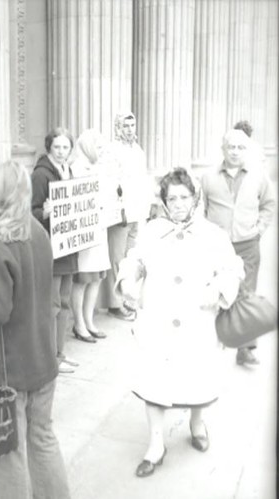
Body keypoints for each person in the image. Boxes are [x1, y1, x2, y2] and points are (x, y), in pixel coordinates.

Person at [117, 168, 243, 478]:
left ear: (195, 198)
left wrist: (219, 288)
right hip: (158, 318)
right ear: (163, 201)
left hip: (197, 318)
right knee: (154, 380)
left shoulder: (213, 235)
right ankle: (156, 444)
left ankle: (196, 424)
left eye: (184, 197)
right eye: (171, 198)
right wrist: (129, 281)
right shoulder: (151, 231)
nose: (177, 203)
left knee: (197, 375)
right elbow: (134, 259)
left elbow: (232, 269)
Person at [0, 161, 71, 499]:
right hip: (42, 358)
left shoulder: (0, 245)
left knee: (7, 451)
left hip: (9, 370)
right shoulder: (38, 231)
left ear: (3, 195)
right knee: (42, 438)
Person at [200, 129, 275, 366]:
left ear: (247, 150)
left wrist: (259, 229)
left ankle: (245, 348)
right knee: (213, 292)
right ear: (223, 149)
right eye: (231, 146)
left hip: (247, 244)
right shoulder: (208, 177)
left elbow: (268, 204)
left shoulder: (258, 176)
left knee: (246, 294)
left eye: (240, 147)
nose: (235, 151)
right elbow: (201, 209)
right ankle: (210, 343)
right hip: (216, 247)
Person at [31, 127, 79, 373]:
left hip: (68, 245)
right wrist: (44, 213)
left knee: (64, 302)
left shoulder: (68, 170)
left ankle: (59, 352)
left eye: (66, 147)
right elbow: (32, 212)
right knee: (53, 304)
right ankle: (50, 356)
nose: (61, 152)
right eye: (57, 147)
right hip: (51, 247)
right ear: (49, 147)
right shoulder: (41, 174)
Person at [103, 112, 155, 321]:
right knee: (116, 258)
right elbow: (111, 184)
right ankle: (114, 303)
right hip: (121, 213)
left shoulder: (138, 150)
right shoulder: (111, 150)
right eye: (125, 126)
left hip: (137, 211)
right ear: (117, 128)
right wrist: (119, 209)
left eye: (132, 125)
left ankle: (126, 297)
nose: (130, 130)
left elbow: (141, 181)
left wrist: (146, 207)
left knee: (129, 257)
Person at [68, 129, 110, 343]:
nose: (102, 152)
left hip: (100, 227)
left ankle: (89, 320)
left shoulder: (100, 167)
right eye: (99, 147)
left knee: (96, 278)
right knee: (83, 279)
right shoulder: (76, 168)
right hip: (84, 230)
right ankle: (79, 323)